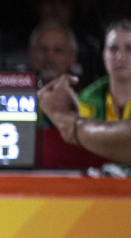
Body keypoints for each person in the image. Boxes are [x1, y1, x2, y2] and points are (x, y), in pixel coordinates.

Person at [38, 21, 131, 171]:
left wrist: (72, 125)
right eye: (113, 49)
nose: (120, 56)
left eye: (129, 49)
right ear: (103, 56)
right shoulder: (84, 101)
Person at [26, 20, 80, 87]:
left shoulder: (83, 96)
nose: (50, 58)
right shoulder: (15, 94)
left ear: (72, 58)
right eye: (43, 50)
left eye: (58, 51)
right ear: (31, 55)